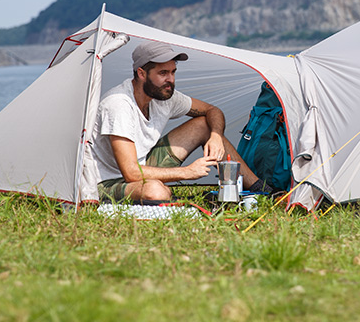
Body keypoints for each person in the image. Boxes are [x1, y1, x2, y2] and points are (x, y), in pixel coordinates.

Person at [89, 40, 270, 203]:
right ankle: (168, 194)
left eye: (173, 72)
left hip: (144, 167)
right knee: (154, 192)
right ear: (142, 73)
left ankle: (261, 190)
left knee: (204, 124)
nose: (171, 80)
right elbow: (131, 173)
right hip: (110, 181)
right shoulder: (118, 105)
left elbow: (212, 111)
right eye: (163, 73)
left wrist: (215, 136)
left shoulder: (165, 96)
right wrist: (187, 172)